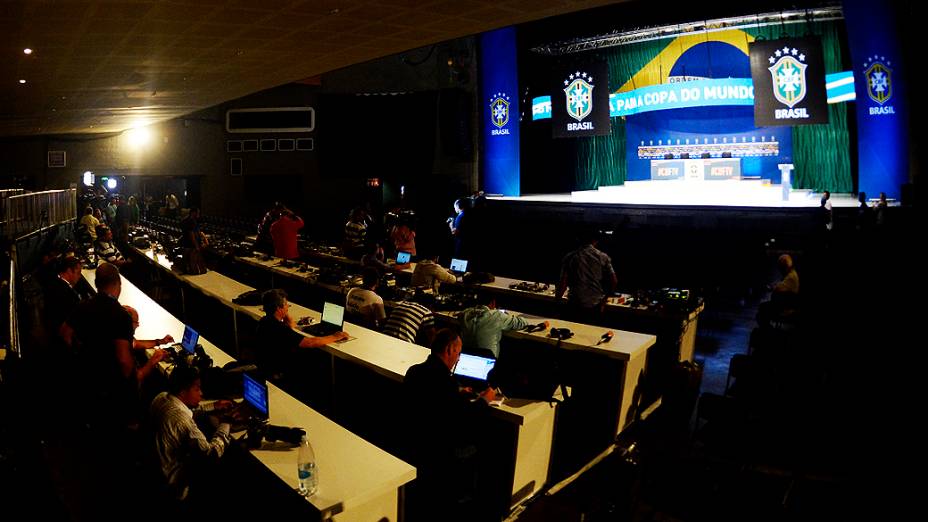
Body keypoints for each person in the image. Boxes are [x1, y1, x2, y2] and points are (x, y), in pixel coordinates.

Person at [63, 262, 170, 432]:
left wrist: (81, 357)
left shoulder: (83, 306)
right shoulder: (120, 315)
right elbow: (124, 361)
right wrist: (143, 371)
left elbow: (65, 334)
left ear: (97, 284)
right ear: (118, 283)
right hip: (114, 388)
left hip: (89, 378)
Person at [402, 328, 497, 519]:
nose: (459, 358)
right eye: (459, 353)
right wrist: (485, 399)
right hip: (440, 451)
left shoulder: (414, 371)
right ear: (449, 350)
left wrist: (457, 393)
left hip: (414, 443)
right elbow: (464, 421)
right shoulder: (446, 383)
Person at [150, 364, 232, 502]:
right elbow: (211, 454)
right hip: (174, 485)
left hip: (155, 470)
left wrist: (214, 406)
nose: (201, 393)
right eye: (197, 389)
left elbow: (186, 413)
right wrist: (227, 423)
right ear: (183, 391)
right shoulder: (182, 420)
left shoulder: (162, 397)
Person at [255, 289, 348, 382]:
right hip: (277, 374)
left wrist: (284, 314)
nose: (288, 307)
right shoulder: (279, 328)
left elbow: (290, 328)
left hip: (264, 367)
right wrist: (335, 336)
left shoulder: (264, 321)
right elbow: (310, 342)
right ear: (279, 308)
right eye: (286, 304)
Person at [555, 229, 617, 320]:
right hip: (595, 304)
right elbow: (614, 281)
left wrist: (557, 303)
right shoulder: (603, 257)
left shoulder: (570, 257)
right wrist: (604, 300)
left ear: (578, 240)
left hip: (575, 303)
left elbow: (563, 284)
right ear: (596, 240)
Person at [458, 296, 542, 359]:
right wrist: (506, 317)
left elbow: (462, 314)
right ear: (493, 303)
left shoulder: (464, 314)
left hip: (464, 358)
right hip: (488, 362)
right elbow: (522, 323)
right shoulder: (497, 315)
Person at [181, 207, 207, 274]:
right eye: (197, 212)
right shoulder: (191, 221)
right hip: (191, 245)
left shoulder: (185, 220)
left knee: (190, 261)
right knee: (194, 261)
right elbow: (191, 234)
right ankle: (196, 273)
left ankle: (193, 272)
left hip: (186, 244)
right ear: (193, 212)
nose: (198, 214)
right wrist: (196, 246)